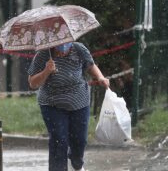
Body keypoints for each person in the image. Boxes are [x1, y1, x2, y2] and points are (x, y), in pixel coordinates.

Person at [28, 42, 109, 171]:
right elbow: (32, 83)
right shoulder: (43, 54)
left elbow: (91, 65)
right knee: (59, 140)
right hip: (52, 104)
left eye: (67, 43)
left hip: (79, 102)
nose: (64, 47)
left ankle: (77, 163)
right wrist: (46, 71)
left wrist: (100, 77)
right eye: (60, 45)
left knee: (80, 141)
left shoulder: (79, 49)